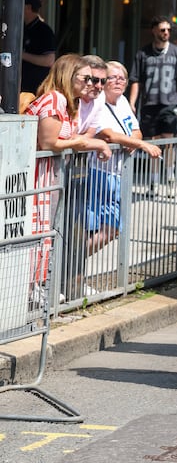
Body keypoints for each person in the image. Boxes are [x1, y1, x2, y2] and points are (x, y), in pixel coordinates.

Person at [25, 54, 111, 296]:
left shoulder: (65, 103)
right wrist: (88, 142)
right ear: (68, 75)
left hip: (48, 177)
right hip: (37, 177)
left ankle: (36, 286)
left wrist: (81, 141)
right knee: (38, 230)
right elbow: (49, 141)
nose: (90, 84)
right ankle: (30, 288)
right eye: (85, 78)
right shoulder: (55, 100)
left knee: (45, 230)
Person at [86, 61, 162, 257]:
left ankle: (72, 274)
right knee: (100, 229)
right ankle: (69, 270)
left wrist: (133, 141)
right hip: (98, 172)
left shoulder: (123, 102)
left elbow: (136, 132)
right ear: (103, 81)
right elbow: (108, 135)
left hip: (118, 174)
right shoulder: (97, 102)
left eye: (122, 78)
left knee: (111, 229)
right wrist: (141, 145)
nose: (118, 82)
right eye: (112, 77)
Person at [128, 16, 177, 195]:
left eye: (168, 30)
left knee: (169, 141)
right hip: (149, 104)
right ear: (154, 31)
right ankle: (154, 181)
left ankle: (170, 177)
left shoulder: (176, 53)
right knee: (153, 142)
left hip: (169, 104)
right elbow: (136, 80)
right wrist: (131, 103)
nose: (166, 33)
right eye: (163, 30)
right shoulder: (143, 54)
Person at [21, 0, 56, 94]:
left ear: (28, 7)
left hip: (35, 87)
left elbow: (49, 60)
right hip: (20, 85)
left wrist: (21, 55)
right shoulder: (22, 27)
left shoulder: (44, 31)